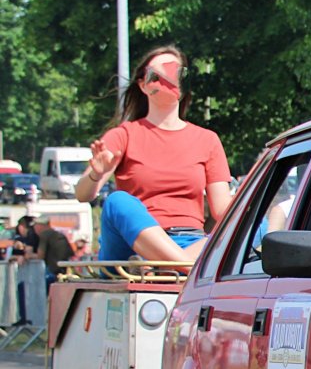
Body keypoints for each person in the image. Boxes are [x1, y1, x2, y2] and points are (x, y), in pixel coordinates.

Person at [74, 46, 232, 265]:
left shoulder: (207, 140)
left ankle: (172, 265)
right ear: (143, 85)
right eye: (156, 76)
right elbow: (82, 195)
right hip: (132, 245)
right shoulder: (124, 135)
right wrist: (95, 175)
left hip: (191, 243)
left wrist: (256, 199)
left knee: (256, 224)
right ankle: (186, 269)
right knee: (117, 201)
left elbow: (223, 210)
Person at [33, 215, 74, 289]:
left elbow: (40, 255)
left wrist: (28, 255)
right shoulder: (59, 235)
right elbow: (71, 253)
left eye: (35, 225)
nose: (34, 228)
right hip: (63, 271)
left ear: (40, 225)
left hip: (51, 271)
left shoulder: (45, 235)